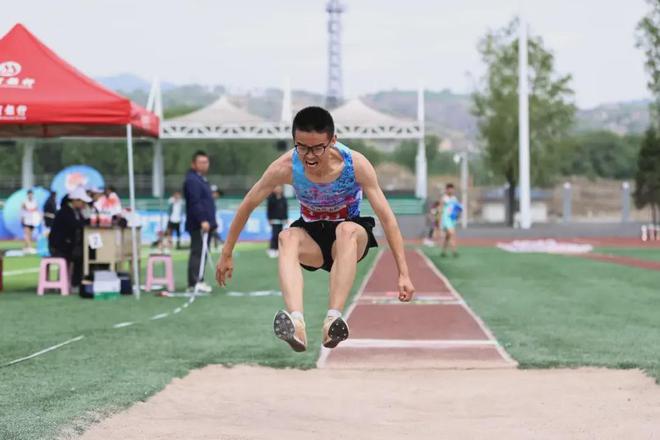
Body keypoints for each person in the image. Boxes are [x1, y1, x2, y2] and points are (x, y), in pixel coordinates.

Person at [216, 106, 415, 352]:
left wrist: (403, 273)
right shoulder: (286, 166)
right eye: (302, 147)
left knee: (346, 232)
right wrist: (226, 253)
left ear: (333, 140)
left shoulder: (356, 165)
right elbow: (248, 205)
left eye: (317, 148)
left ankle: (332, 319)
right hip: (312, 236)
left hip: (350, 237)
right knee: (286, 236)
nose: (309, 156)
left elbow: (387, 218)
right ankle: (297, 323)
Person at [184, 151, 217, 293]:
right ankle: (194, 282)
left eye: (206, 162)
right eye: (201, 162)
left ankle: (199, 279)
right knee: (198, 252)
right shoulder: (192, 180)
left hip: (206, 224)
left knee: (202, 252)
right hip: (199, 224)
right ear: (194, 164)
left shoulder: (201, 179)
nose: (204, 165)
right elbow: (195, 202)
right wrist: (203, 219)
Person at [48, 186, 90, 288]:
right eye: (83, 202)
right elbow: (76, 225)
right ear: (75, 200)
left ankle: (76, 282)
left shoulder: (75, 212)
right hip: (59, 247)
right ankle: (76, 283)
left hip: (68, 244)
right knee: (80, 256)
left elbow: (81, 223)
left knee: (83, 253)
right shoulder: (65, 212)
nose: (84, 205)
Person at [266, 185, 288, 258]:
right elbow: (268, 210)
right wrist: (269, 219)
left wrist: (286, 218)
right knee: (274, 235)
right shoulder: (271, 198)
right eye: (277, 188)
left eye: (280, 188)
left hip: (281, 220)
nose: (278, 189)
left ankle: (278, 249)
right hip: (274, 220)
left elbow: (285, 209)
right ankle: (272, 249)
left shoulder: (284, 198)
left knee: (280, 235)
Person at [440, 183, 461, 257]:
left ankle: (443, 251)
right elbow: (440, 209)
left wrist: (458, 214)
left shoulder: (454, 199)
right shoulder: (444, 198)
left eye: (452, 189)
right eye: (449, 189)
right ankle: (454, 251)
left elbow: (457, 208)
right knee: (452, 233)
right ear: (446, 190)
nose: (450, 190)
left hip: (452, 219)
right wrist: (439, 221)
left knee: (448, 236)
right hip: (446, 219)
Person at [21, 189, 41, 253]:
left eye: (31, 194)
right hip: (26, 219)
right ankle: (30, 247)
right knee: (27, 233)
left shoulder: (35, 201)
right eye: (29, 194)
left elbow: (37, 210)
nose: (30, 195)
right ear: (27, 195)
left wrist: (39, 218)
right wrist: (21, 218)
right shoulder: (24, 202)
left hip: (33, 220)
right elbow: (22, 210)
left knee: (30, 234)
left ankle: (25, 247)